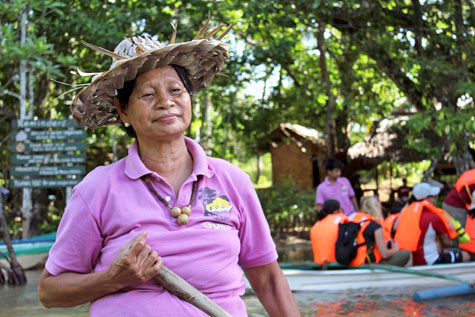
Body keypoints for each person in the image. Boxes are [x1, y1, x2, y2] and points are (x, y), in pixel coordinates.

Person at [37, 21, 299, 316]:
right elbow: (50, 292)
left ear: (189, 99)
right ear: (123, 110)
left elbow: (269, 281)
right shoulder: (97, 189)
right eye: (148, 95)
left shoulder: (232, 181)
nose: (166, 102)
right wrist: (111, 279)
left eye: (176, 90)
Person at [394, 182, 470, 266]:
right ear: (426, 198)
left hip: (409, 259)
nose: (434, 199)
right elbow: (447, 242)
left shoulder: (406, 212)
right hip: (429, 260)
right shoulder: (434, 216)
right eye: (433, 196)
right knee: (465, 255)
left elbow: (395, 227)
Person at [350, 196, 412, 267]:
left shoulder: (352, 221)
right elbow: (384, 254)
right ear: (376, 208)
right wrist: (395, 249)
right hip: (369, 264)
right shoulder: (375, 226)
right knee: (407, 254)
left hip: (352, 263)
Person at [310, 200, 347, 265]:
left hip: (319, 264)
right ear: (336, 211)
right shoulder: (342, 220)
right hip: (337, 264)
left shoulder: (316, 225)